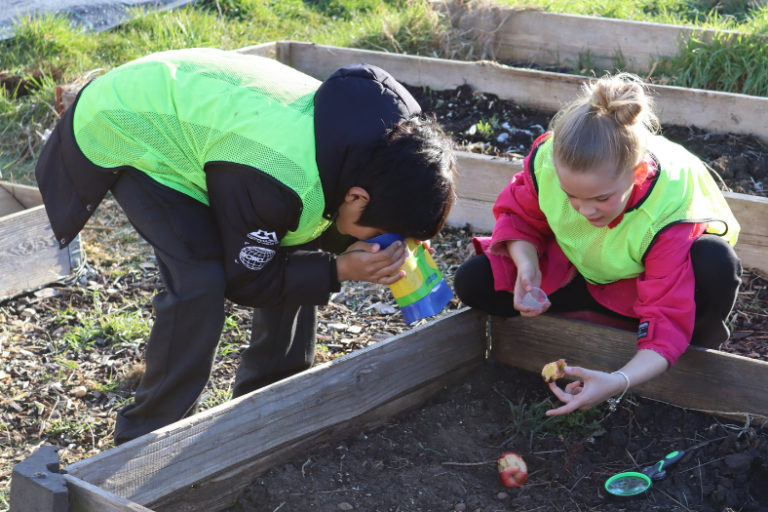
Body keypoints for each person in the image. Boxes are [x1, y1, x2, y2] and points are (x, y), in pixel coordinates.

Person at [35, 48, 458, 444]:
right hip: (130, 127)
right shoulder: (279, 178)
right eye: (385, 233)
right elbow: (247, 279)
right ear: (358, 197)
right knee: (199, 279)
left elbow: (318, 227)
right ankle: (145, 437)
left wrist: (395, 239)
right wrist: (339, 270)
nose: (386, 243)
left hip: (207, 128)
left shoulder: (391, 145)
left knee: (298, 242)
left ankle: (269, 402)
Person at [454, 73, 742, 417]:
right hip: (581, 264)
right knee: (474, 281)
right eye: (571, 196)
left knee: (713, 261)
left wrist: (618, 380)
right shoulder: (549, 160)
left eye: (601, 198)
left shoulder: (668, 212)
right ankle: (603, 328)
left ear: (635, 175)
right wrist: (527, 266)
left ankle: (673, 355)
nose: (585, 210)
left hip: (644, 285)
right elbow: (520, 217)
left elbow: (667, 314)